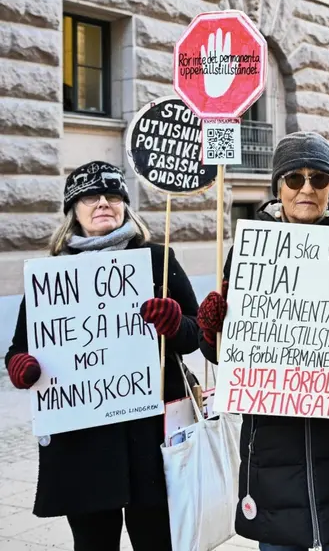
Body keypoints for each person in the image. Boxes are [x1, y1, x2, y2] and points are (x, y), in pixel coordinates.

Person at [195, 132, 329, 551]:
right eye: (294, 179)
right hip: (274, 453)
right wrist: (213, 328)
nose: (307, 189)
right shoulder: (248, 250)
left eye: (319, 179)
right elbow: (223, 354)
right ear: (278, 187)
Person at [4, 161, 200, 550]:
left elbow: (195, 337)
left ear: (126, 204)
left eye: (112, 195)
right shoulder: (52, 275)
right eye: (90, 196)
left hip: (150, 438)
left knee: (158, 540)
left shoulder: (158, 260)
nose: (103, 203)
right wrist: (22, 367)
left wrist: (175, 323)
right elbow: (20, 348)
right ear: (73, 210)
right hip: (83, 441)